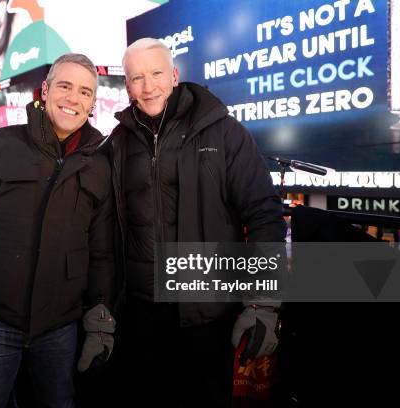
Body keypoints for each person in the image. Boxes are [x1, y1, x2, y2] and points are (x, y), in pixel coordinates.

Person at [0, 53, 116, 408]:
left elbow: (101, 252)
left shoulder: (100, 164)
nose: (74, 98)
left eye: (85, 92)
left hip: (60, 328)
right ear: (44, 90)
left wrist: (100, 315)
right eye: (65, 86)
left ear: (92, 103)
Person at [108, 38, 286, 407]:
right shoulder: (118, 142)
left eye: (156, 73)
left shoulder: (222, 131)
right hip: (140, 314)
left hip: (207, 312)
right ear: (127, 85)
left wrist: (263, 304)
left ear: (173, 75)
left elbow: (264, 214)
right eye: (137, 77)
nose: (148, 86)